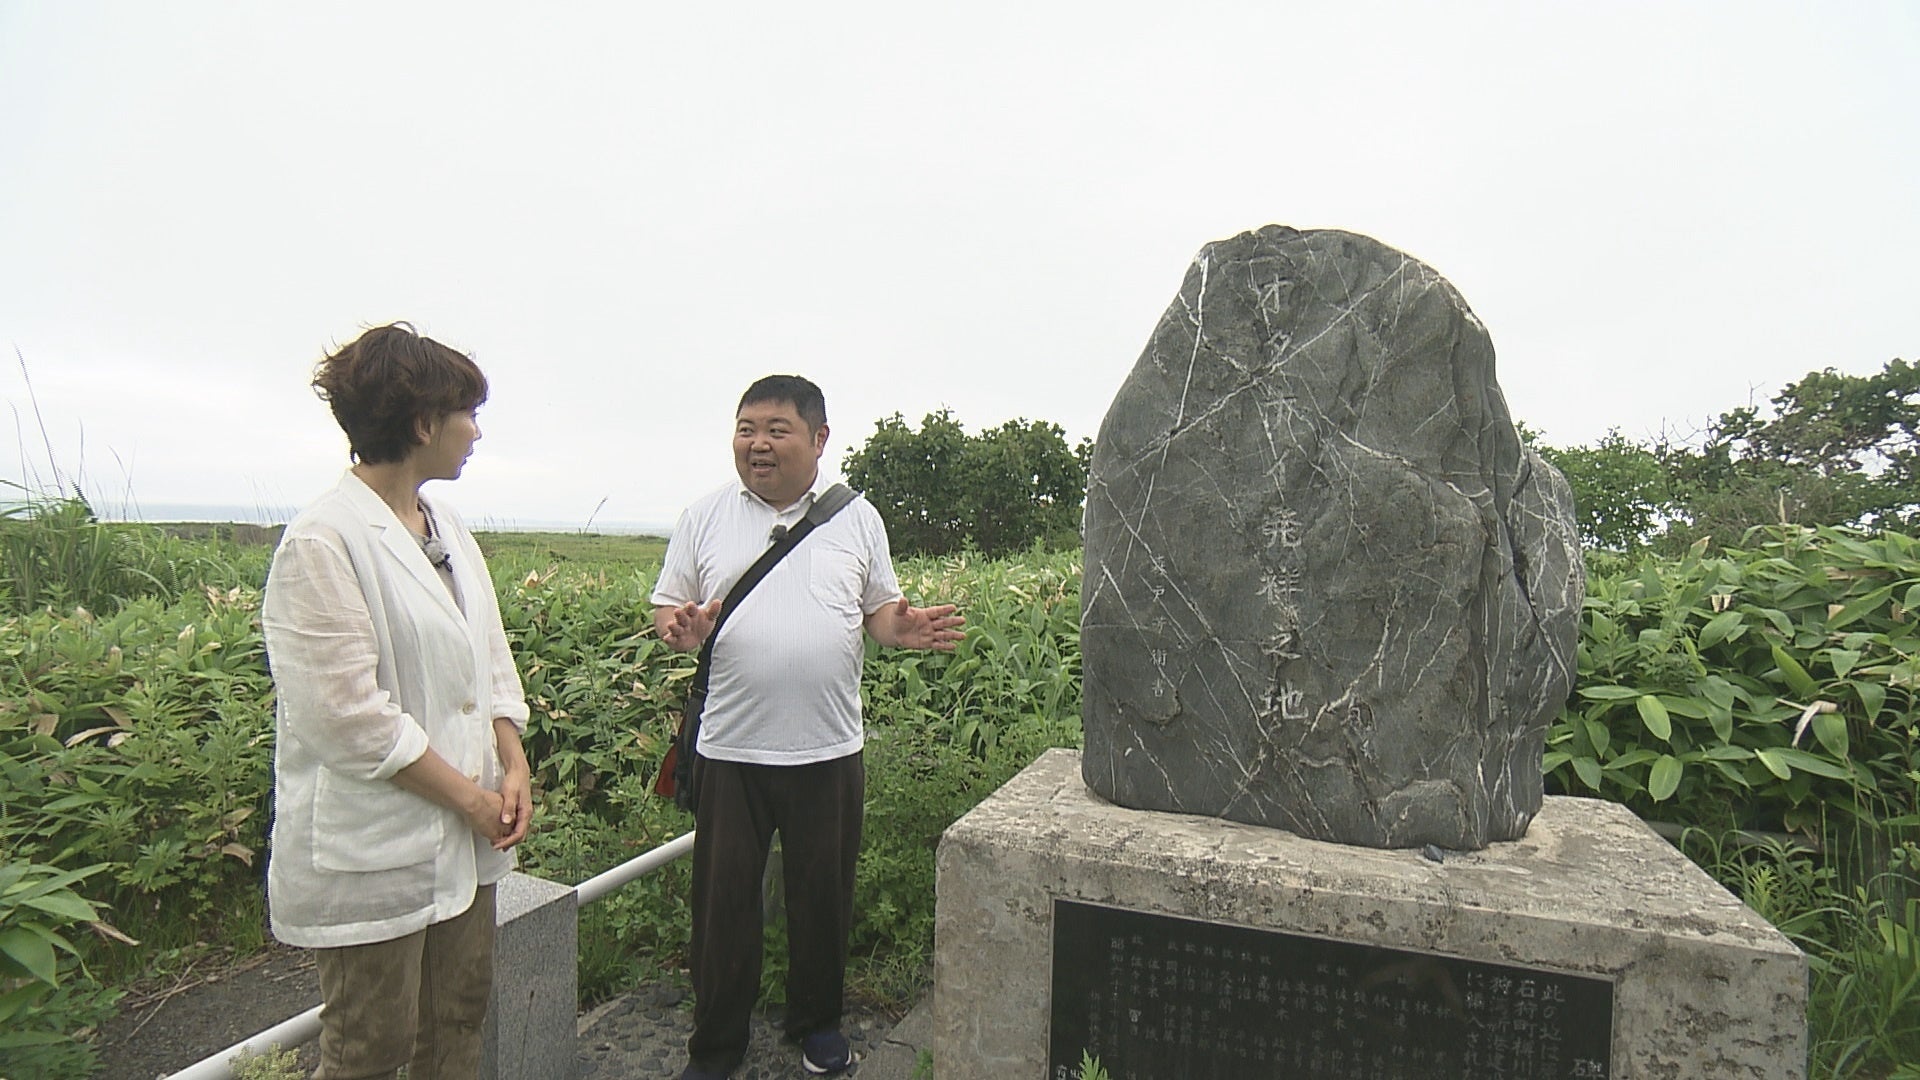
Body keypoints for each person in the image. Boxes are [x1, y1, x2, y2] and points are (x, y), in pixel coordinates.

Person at [653, 375, 964, 1079]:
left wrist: (901, 627)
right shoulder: (704, 516)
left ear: (819, 439)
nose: (757, 444)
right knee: (723, 906)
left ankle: (817, 1023)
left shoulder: (857, 518)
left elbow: (879, 610)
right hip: (731, 748)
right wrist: (679, 628)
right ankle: (715, 1046)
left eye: (776, 429)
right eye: (746, 428)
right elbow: (670, 612)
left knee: (822, 898)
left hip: (827, 747)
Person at [260, 323, 534, 1080]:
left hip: (467, 837)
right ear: (421, 423)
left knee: (455, 1026)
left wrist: (513, 762)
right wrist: (472, 802)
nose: (475, 432)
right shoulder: (323, 541)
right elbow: (347, 718)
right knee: (370, 1051)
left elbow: (491, 660)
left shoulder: (446, 528)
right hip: (377, 850)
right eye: (465, 413)